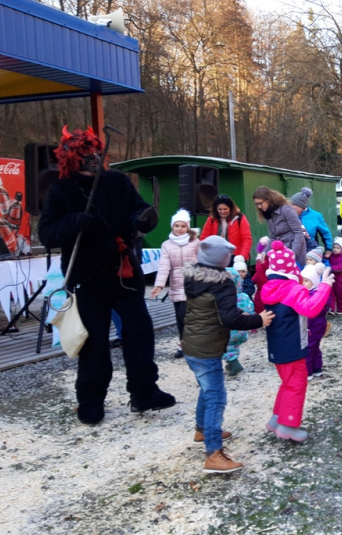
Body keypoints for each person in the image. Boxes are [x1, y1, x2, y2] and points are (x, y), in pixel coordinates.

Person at [38, 126, 174, 425]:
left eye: (97, 152)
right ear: (73, 157)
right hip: (86, 277)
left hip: (123, 272)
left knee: (140, 333)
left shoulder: (118, 182)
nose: (94, 158)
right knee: (95, 342)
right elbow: (47, 233)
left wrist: (142, 219)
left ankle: (144, 392)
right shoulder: (61, 189)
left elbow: (139, 214)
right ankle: (90, 401)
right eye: (87, 154)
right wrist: (74, 221)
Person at [181, 236, 273, 472]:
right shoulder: (222, 283)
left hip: (192, 344)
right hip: (208, 347)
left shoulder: (192, 277)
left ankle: (202, 430)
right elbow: (230, 318)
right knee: (216, 397)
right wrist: (258, 320)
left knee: (207, 389)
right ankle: (213, 453)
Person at [261, 241, 334, 441]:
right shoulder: (293, 289)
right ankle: (288, 425)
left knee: (287, 382)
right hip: (294, 344)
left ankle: (277, 418)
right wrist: (325, 286)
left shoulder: (269, 288)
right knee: (297, 384)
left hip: (277, 345)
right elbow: (310, 309)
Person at [151, 209, 200, 358]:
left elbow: (203, 262)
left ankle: (194, 344)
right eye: (176, 225)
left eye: (183, 226)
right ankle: (183, 345)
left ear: (188, 227)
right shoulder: (166, 244)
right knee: (179, 318)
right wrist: (159, 285)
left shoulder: (196, 243)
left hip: (192, 284)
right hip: (176, 285)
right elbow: (164, 265)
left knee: (184, 314)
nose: (179, 229)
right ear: (172, 226)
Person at [253, 186, 307, 266]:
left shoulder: (286, 210)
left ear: (268, 200)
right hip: (279, 254)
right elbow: (273, 237)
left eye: (260, 203)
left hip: (295, 252)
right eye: (256, 204)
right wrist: (264, 252)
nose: (259, 207)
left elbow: (298, 233)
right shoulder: (267, 214)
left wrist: (293, 254)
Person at [222, 266, 254, 377]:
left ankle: (234, 363)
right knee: (234, 346)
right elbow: (251, 309)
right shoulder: (244, 296)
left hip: (228, 330)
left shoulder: (223, 298)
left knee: (225, 346)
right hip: (242, 329)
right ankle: (231, 364)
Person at [200, 195, 252, 261]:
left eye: (225, 209)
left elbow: (247, 239)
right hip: (216, 256)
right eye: (220, 209)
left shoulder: (240, 218)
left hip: (235, 257)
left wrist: (242, 257)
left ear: (230, 208)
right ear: (216, 209)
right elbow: (204, 238)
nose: (222, 212)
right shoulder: (211, 219)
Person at [301, 264, 330, 380]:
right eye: (302, 280)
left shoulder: (314, 295)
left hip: (313, 327)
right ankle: (317, 369)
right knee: (315, 348)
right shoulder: (315, 293)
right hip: (316, 326)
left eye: (306, 281)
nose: (303, 283)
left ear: (315, 282)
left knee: (308, 349)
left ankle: (308, 372)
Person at [328, 237, 342, 314]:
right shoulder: (332, 256)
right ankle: (331, 308)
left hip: (341, 278)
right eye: (334, 247)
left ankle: (341, 309)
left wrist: (330, 268)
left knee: (341, 294)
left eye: (337, 248)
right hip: (332, 277)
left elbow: (341, 267)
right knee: (331, 293)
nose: (335, 249)